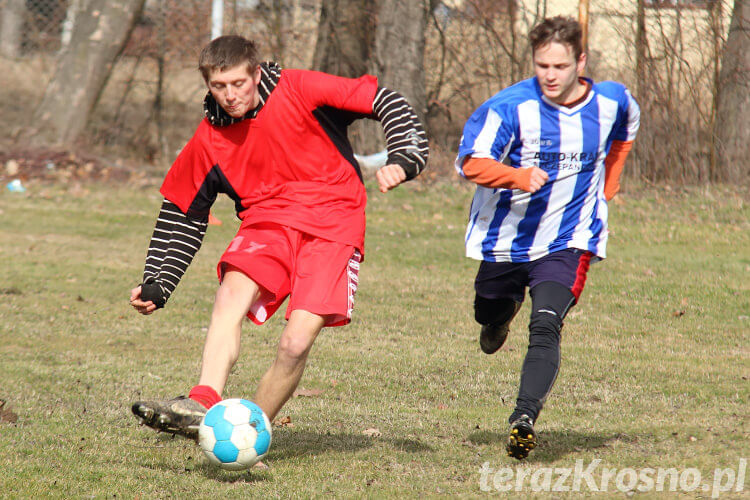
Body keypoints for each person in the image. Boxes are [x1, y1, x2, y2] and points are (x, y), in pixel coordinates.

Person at [129, 35, 428, 440]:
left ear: (256, 73)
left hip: (334, 223)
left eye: (238, 83)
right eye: (219, 87)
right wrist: (158, 280)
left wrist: (405, 157)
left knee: (294, 344)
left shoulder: (301, 88)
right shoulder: (209, 137)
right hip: (266, 222)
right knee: (230, 295)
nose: (230, 96)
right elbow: (182, 211)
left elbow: (386, 101)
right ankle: (201, 401)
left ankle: (247, 431)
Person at [455, 16, 639, 460]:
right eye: (542, 66)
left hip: (569, 239)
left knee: (547, 324)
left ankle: (524, 418)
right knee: (488, 309)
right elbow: (469, 162)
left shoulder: (612, 101)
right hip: (508, 238)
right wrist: (516, 175)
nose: (550, 76)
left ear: (581, 60)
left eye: (559, 66)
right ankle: (499, 316)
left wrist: (608, 185)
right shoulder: (509, 106)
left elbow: (626, 133)